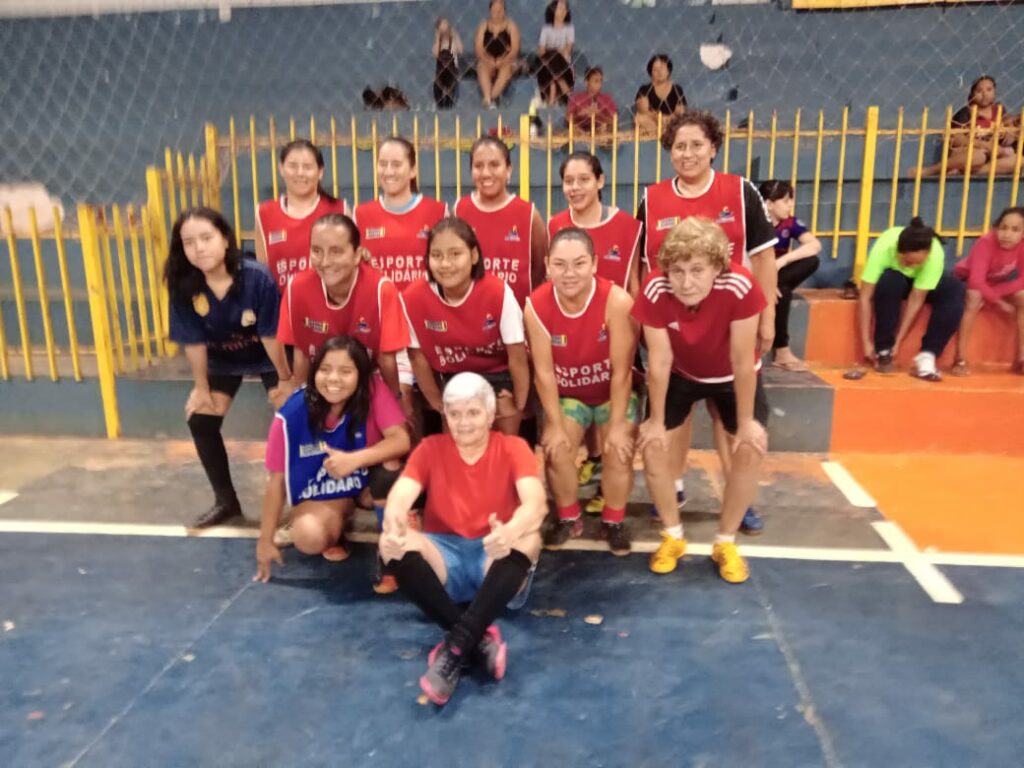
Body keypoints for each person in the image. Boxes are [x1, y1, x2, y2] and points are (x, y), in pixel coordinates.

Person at [638, 110, 777, 533]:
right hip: (676, 328)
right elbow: (642, 263)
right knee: (672, 418)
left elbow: (764, 258)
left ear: (713, 147)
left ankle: (737, 498)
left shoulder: (739, 191)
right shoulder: (652, 197)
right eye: (679, 146)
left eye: (697, 144)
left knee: (732, 423)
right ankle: (675, 485)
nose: (688, 153)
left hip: (731, 325)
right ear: (669, 152)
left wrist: (767, 316)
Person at [379, 372, 546, 706]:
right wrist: (394, 521)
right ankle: (474, 638)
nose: (463, 422)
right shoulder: (430, 448)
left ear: (490, 415)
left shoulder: (514, 448)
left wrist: (509, 532)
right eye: (454, 414)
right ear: (445, 416)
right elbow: (400, 495)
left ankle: (454, 649)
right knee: (389, 544)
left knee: (530, 539)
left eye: (473, 413)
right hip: (446, 558)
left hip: (492, 558)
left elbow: (536, 504)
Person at [633, 218, 769, 583]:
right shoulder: (655, 287)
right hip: (683, 373)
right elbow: (658, 360)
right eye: (677, 271)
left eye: (697, 270)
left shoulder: (739, 284)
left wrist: (744, 424)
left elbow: (743, 360)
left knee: (750, 446)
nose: (686, 282)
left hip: (732, 375)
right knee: (652, 445)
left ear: (716, 267)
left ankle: (725, 541)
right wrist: (656, 422)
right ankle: (673, 536)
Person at [165, 207, 291, 528]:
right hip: (223, 359)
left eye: (206, 238)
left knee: (291, 416)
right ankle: (226, 502)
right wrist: (201, 388)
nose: (199, 248)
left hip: (268, 354)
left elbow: (270, 335)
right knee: (201, 419)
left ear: (225, 239)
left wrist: (286, 381)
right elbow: (193, 341)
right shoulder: (184, 285)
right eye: (189, 242)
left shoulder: (256, 277)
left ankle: (301, 499)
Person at [255, 336, 411, 582]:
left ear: (360, 375)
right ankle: (337, 522)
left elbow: (400, 440)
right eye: (324, 370)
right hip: (325, 490)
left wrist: (356, 460)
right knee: (308, 537)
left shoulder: (372, 389)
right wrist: (265, 540)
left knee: (391, 467)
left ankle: (389, 551)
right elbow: (276, 481)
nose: (333, 379)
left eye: (345, 371)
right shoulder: (290, 414)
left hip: (366, 480)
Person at [525, 228, 638, 555]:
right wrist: (555, 425)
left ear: (594, 264)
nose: (569, 273)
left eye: (578, 263)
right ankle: (568, 517)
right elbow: (544, 373)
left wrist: (616, 427)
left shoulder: (617, 301)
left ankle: (613, 520)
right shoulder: (536, 306)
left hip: (611, 393)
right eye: (560, 264)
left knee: (619, 449)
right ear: (547, 266)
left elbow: (621, 372)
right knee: (556, 449)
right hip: (569, 396)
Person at [401, 217, 530, 437]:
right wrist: (438, 404)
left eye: (455, 254)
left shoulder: (497, 292)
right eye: (436, 255)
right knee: (458, 446)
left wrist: (518, 403)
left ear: (473, 255)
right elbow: (417, 358)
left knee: (504, 445)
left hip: (500, 375)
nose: (445, 264)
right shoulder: (412, 297)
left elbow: (517, 356)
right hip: (453, 378)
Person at [354, 136, 447, 412]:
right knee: (400, 408)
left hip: (429, 326)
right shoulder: (361, 215)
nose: (389, 171)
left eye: (397, 164)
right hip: (384, 330)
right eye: (383, 164)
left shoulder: (438, 211)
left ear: (413, 169)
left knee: (441, 411)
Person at [277, 214, 409, 401]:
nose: (324, 261)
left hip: (375, 370)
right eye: (316, 250)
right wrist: (302, 401)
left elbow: (387, 359)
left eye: (336, 251)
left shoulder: (381, 289)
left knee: (400, 413)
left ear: (356, 255)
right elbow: (302, 354)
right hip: (327, 373)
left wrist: (395, 400)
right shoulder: (296, 288)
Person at [858, 217, 966, 381]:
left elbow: (916, 299)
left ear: (926, 254)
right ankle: (883, 350)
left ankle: (927, 356)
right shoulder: (884, 248)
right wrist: (866, 342)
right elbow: (865, 297)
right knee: (890, 280)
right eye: (906, 261)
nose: (911, 266)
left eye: (917, 263)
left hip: (920, 285)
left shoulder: (935, 254)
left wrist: (899, 342)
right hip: (895, 281)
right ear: (898, 252)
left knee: (955, 289)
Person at [453, 136, 548, 308]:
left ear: (509, 170)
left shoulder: (529, 215)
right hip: (470, 317)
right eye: (478, 166)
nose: (486, 173)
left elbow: (539, 270)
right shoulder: (459, 211)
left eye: (494, 165)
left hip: (518, 323)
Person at [256, 139, 348, 293]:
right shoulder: (264, 214)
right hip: (284, 310)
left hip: (331, 311)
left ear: (320, 172)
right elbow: (264, 274)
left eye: (307, 167)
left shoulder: (340, 210)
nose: (300, 173)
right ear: (281, 168)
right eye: (292, 166)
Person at [550, 151, 642, 296]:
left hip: (614, 316)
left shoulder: (628, 226)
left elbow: (634, 285)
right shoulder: (554, 225)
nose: (575, 187)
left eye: (584, 179)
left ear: (600, 181)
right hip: (569, 316)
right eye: (568, 181)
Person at [758, 180, 822, 371]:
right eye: (785, 201)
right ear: (769, 204)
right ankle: (782, 351)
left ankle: (782, 352)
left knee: (812, 261)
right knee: (783, 293)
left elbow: (814, 245)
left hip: (778, 274)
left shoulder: (790, 223)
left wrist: (782, 262)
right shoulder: (755, 223)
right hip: (756, 275)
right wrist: (765, 281)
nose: (790, 205)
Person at [952, 206, 1024, 376]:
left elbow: (1022, 280)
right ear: (996, 228)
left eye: (1015, 230)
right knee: (974, 296)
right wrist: (999, 303)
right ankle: (960, 358)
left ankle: (1021, 358)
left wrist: (995, 293)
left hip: (994, 284)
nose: (1007, 234)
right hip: (965, 280)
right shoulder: (985, 243)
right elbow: (976, 281)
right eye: (1003, 228)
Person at [918, 76, 1021, 178]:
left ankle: (975, 173)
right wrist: (984, 145)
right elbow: (954, 139)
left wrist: (1011, 129)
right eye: (979, 91)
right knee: (978, 157)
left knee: (1018, 161)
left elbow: (1010, 120)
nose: (984, 94)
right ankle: (931, 170)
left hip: (991, 157)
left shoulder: (999, 110)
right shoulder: (966, 113)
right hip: (969, 153)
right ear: (972, 94)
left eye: (989, 89)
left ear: (994, 92)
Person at [474, 0, 522, 108]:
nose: (497, 12)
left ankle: (492, 97)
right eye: (495, 9)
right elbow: (478, 49)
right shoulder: (483, 26)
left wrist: (503, 60)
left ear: (504, 11)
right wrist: (489, 60)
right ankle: (487, 97)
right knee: (481, 67)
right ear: (490, 10)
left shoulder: (511, 26)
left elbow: (515, 49)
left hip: (507, 60)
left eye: (500, 9)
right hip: (487, 60)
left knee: (507, 69)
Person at [634, 53, 686, 134]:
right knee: (640, 118)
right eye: (655, 69)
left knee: (682, 121)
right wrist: (659, 118)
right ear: (651, 73)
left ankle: (665, 133)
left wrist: (669, 118)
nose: (659, 72)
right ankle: (661, 134)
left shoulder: (677, 89)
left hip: (670, 123)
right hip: (653, 123)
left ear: (668, 70)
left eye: (662, 68)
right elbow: (643, 111)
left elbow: (681, 112)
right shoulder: (644, 89)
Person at [536, 0, 575, 106]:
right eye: (560, 8)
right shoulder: (546, 29)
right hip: (548, 63)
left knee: (554, 58)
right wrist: (554, 52)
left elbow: (568, 49)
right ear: (553, 10)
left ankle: (552, 100)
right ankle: (567, 97)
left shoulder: (569, 28)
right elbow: (541, 50)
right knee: (550, 61)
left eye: (565, 9)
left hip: (563, 63)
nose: (563, 11)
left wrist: (554, 52)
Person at [567, 67, 618, 134]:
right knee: (573, 128)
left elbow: (614, 120)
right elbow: (567, 118)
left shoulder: (607, 99)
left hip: (601, 130)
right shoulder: (576, 98)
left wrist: (599, 114)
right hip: (580, 131)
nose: (599, 85)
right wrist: (581, 114)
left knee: (607, 127)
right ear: (586, 82)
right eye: (596, 81)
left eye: (601, 81)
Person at [433, 17, 464, 109]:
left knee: (451, 80)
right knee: (438, 82)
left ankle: (449, 98)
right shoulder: (439, 43)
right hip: (441, 70)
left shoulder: (453, 41)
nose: (445, 32)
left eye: (447, 28)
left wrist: (455, 35)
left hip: (452, 70)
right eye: (442, 30)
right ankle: (439, 101)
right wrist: (438, 39)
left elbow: (461, 50)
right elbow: (435, 54)